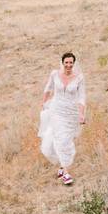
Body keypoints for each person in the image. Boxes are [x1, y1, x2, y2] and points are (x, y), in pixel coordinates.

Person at [39, 52, 86, 185]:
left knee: (66, 140)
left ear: (74, 64)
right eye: (66, 62)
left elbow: (82, 97)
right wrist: (43, 103)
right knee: (62, 139)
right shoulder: (55, 74)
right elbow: (48, 89)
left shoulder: (79, 77)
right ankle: (66, 173)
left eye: (71, 63)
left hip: (71, 113)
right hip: (57, 110)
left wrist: (82, 114)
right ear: (62, 63)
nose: (69, 65)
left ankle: (61, 167)